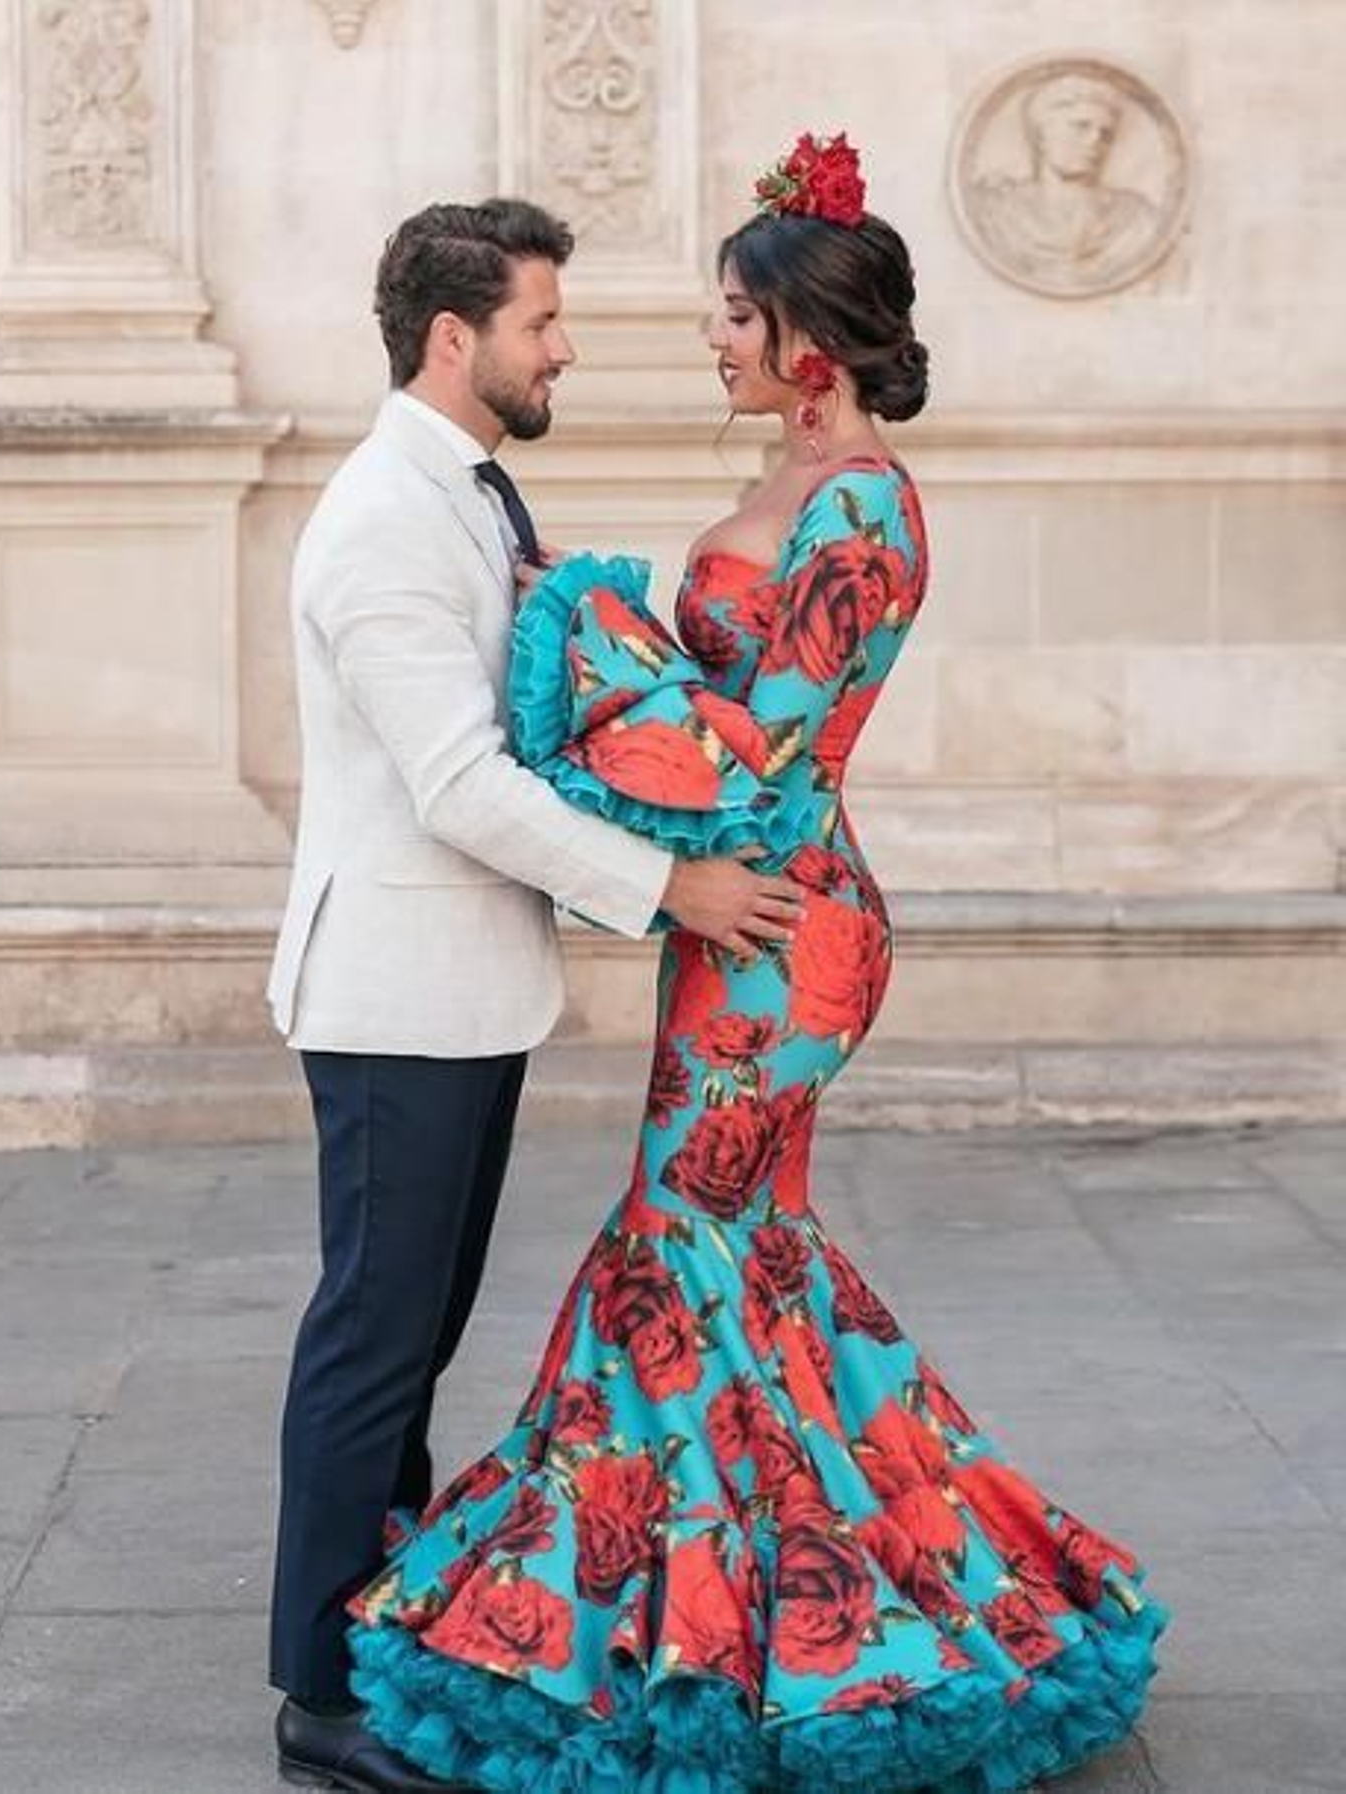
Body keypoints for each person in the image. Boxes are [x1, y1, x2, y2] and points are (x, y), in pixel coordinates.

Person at [344, 133, 1168, 1790]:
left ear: (808, 330)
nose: (710, 336)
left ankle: (768, 1629)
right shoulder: (786, 489)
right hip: (734, 915)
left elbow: (761, 749)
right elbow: (702, 744)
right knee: (739, 1259)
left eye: (731, 310)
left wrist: (591, 623)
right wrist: (564, 619)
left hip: (789, 931)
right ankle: (811, 1606)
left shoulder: (863, 507)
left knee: (681, 1247)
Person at [266, 198, 808, 1793]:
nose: (562, 345)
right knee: (372, 1338)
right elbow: (457, 783)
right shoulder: (381, 519)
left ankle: (378, 1627)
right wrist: (674, 888)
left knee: (413, 1337)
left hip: (464, 990)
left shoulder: (472, 498)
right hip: (395, 994)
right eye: (542, 322)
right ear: (458, 338)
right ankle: (319, 1690)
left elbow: (525, 695)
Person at [973, 72, 1159, 288]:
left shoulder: (1135, 218)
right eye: (1081, 126)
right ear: (1041, 132)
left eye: (1106, 134)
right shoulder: (998, 211)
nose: (1095, 141)